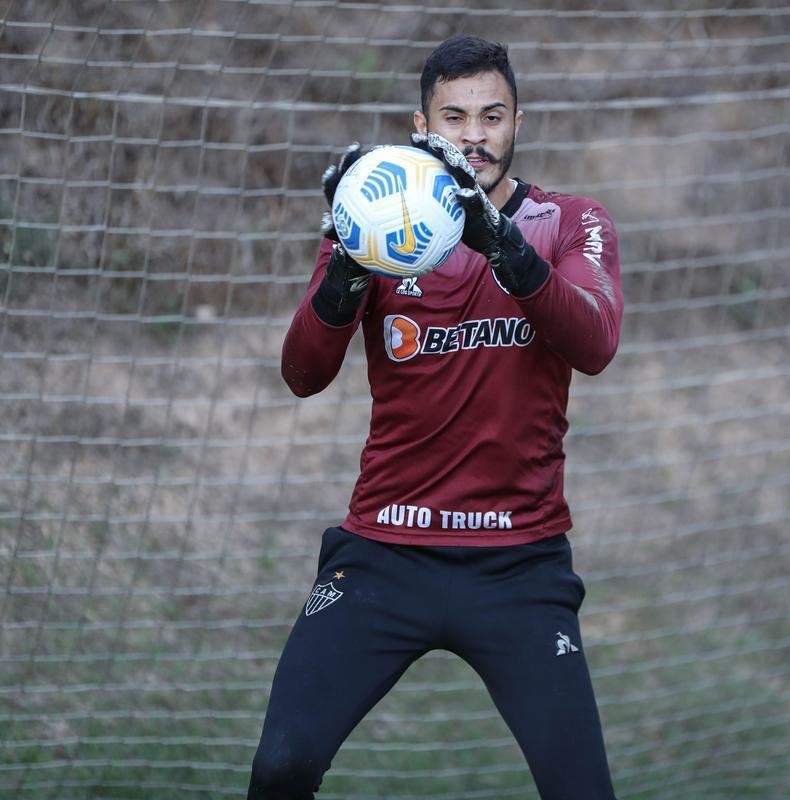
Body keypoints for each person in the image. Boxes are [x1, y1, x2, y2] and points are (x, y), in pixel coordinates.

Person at [247, 35, 623, 799]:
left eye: (492, 116)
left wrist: (504, 247)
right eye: (455, 117)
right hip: (385, 554)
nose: (475, 135)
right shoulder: (375, 227)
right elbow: (302, 375)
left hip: (520, 564)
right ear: (423, 126)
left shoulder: (568, 222)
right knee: (281, 768)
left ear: (520, 121)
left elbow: (595, 342)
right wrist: (348, 270)